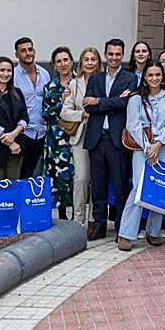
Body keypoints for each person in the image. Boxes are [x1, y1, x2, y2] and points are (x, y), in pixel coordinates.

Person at [117, 61, 165, 250]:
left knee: (159, 188)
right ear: (144, 77)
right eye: (150, 75)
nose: (154, 78)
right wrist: (148, 147)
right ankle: (126, 234)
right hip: (142, 148)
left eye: (157, 75)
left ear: (162, 77)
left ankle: (154, 231)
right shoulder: (136, 98)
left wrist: (158, 143)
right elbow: (132, 125)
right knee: (139, 187)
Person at [84, 38, 138, 241]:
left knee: (120, 184)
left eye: (118, 54)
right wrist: (113, 101)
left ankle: (121, 229)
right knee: (97, 185)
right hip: (97, 138)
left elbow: (127, 103)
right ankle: (98, 226)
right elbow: (88, 106)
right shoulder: (95, 78)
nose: (114, 57)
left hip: (117, 140)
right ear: (105, 55)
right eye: (111, 54)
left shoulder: (130, 78)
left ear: (122, 56)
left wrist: (99, 101)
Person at [66, 47, 100, 228]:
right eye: (86, 59)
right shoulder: (74, 84)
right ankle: (78, 219)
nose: (89, 63)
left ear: (98, 62)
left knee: (97, 177)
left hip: (101, 135)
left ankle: (94, 219)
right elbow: (64, 111)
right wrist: (82, 115)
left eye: (93, 59)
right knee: (81, 177)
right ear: (81, 62)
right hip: (80, 135)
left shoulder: (104, 81)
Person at [42, 46, 76, 220]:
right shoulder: (50, 87)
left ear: (71, 61)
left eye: (66, 60)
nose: (63, 64)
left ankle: (77, 216)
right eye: (59, 61)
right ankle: (62, 215)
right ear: (54, 65)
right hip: (56, 141)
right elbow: (46, 115)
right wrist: (61, 104)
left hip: (77, 137)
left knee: (77, 177)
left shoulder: (81, 82)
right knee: (58, 178)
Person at [12, 37, 49, 179]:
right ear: (17, 54)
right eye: (23, 51)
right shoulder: (13, 75)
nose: (28, 53)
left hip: (40, 132)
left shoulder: (44, 74)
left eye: (30, 49)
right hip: (21, 133)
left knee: (30, 174)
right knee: (17, 175)